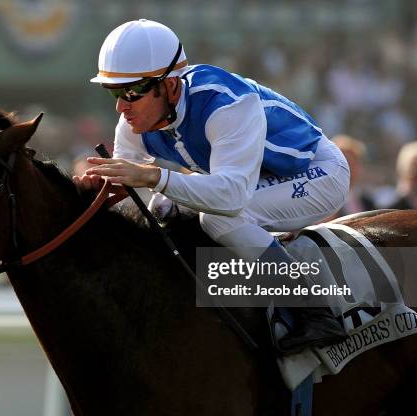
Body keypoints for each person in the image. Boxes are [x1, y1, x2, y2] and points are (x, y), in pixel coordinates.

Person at [73, 19, 349, 353]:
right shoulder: (135, 121)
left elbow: (231, 198)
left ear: (171, 86)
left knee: (218, 218)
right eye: (114, 92)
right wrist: (103, 190)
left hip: (317, 172)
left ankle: (313, 311)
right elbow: (128, 180)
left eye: (131, 92)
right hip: (253, 178)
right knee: (162, 207)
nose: (121, 105)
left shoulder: (228, 105)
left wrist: (152, 176)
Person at [329, 134, 376, 218]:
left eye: (350, 163)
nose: (346, 169)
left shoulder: (369, 203)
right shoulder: (323, 203)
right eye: (341, 164)